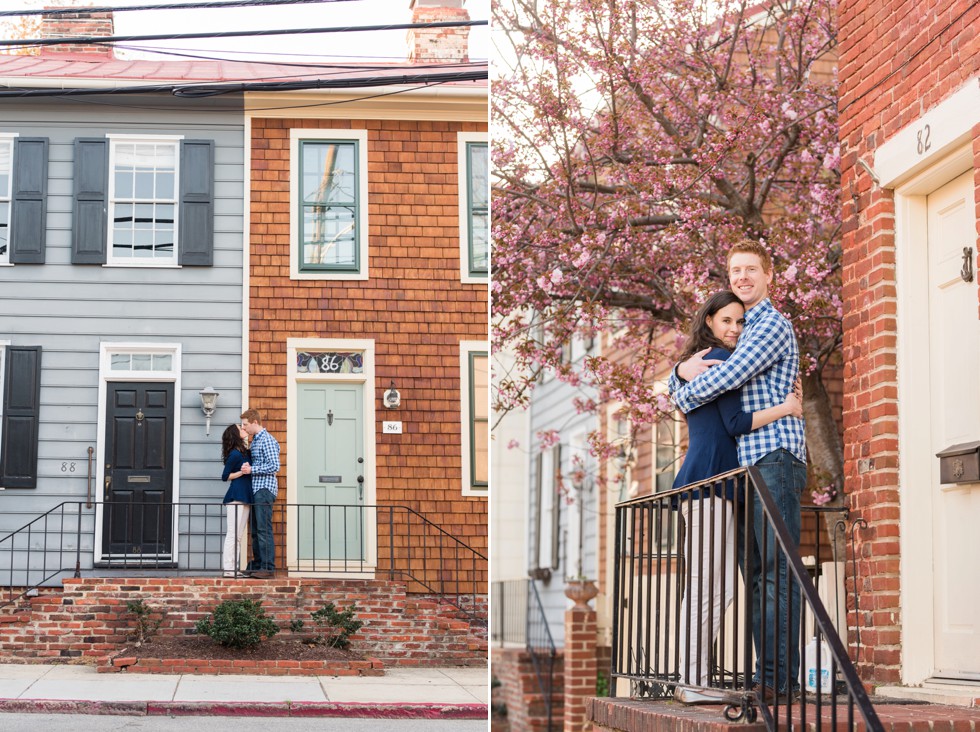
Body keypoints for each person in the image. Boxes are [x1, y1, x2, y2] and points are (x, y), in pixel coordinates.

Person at [670, 239, 807, 703]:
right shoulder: (742, 329)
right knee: (755, 572)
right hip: (744, 468)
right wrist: (679, 373)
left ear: (769, 274)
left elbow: (728, 377)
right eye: (734, 271)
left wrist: (681, 383)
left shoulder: (769, 325)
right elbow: (724, 399)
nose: (742, 277)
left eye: (751, 269)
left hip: (775, 458)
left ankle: (777, 680)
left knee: (774, 570)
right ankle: (760, 676)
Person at [240, 409, 281, 579]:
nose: (244, 428)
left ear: (255, 422)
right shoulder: (255, 440)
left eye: (246, 425)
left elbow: (274, 466)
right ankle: (257, 565)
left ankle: (267, 567)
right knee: (256, 530)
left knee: (263, 529)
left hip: (264, 489)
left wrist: (251, 470)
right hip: (256, 489)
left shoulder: (267, 440)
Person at [220, 424, 252, 578]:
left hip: (246, 497)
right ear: (235, 434)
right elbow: (225, 476)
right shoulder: (234, 454)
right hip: (235, 496)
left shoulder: (245, 451)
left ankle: (235, 568)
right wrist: (241, 471)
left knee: (239, 536)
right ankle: (228, 569)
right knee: (232, 534)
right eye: (241, 428)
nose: (244, 429)